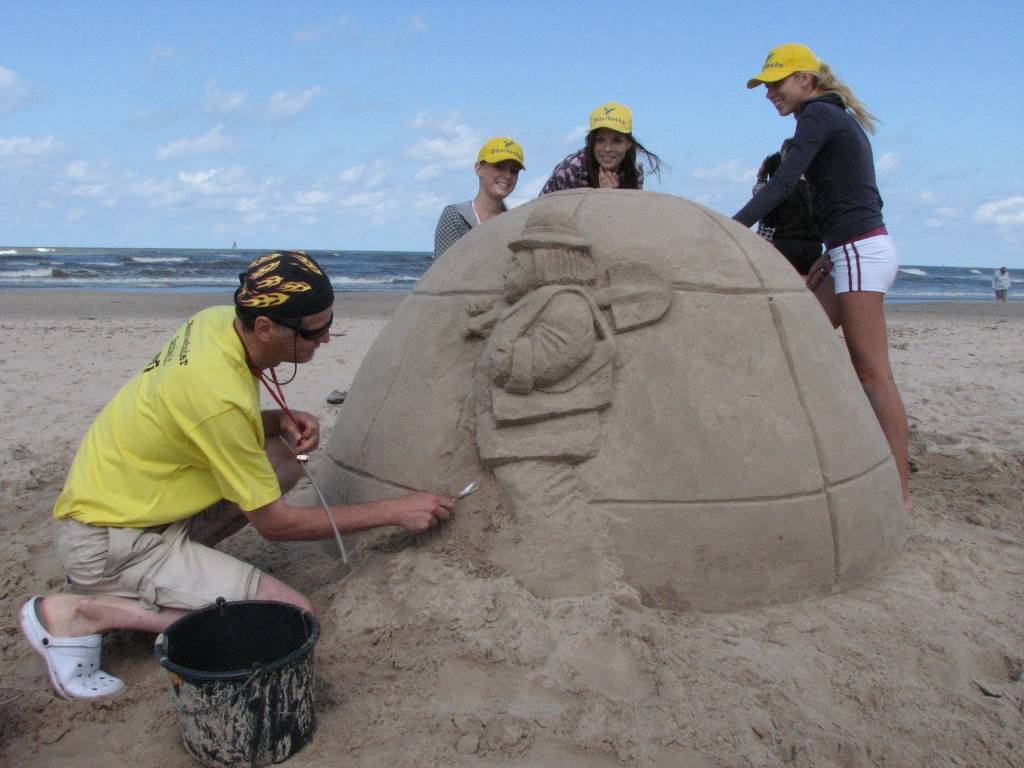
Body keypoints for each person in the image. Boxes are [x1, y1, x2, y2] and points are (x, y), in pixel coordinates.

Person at [19, 251, 453, 700]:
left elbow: (199, 421)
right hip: (108, 545)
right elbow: (276, 526)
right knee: (289, 618)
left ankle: (177, 572)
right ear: (266, 327)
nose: (325, 340)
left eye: (329, 325)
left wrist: (276, 421)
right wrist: (395, 511)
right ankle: (84, 613)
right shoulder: (216, 394)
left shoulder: (217, 322)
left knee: (283, 457)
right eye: (315, 332)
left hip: (138, 503)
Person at [734, 42, 912, 508]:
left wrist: (727, 230)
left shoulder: (817, 115)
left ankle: (899, 491)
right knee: (796, 337)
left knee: (872, 373)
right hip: (851, 250)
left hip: (859, 252)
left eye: (777, 82)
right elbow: (861, 194)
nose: (769, 92)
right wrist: (832, 251)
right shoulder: (833, 118)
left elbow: (783, 183)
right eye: (766, 84)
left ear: (805, 81)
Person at [433, 137, 525, 259]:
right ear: (478, 168)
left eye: (514, 171)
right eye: (499, 166)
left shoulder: (516, 226)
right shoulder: (456, 217)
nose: (507, 175)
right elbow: (443, 271)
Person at [540, 102, 662, 194]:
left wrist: (613, 195)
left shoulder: (635, 172)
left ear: (628, 143)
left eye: (617, 141)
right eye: (600, 140)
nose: (607, 149)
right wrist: (602, 195)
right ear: (591, 142)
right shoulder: (571, 168)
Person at [754, 139, 823, 276]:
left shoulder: (781, 189)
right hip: (814, 248)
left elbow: (767, 217)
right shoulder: (819, 188)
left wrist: (762, 177)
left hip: (786, 246)